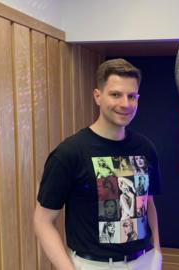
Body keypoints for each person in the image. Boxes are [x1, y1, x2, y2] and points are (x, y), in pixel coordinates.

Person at [34, 58, 162, 270]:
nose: (125, 104)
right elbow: (42, 220)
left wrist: (157, 252)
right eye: (115, 94)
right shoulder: (69, 153)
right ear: (97, 96)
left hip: (144, 261)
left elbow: (148, 203)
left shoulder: (145, 149)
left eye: (132, 96)